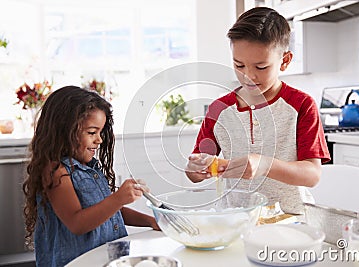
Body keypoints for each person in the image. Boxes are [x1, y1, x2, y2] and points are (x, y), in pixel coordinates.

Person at [186, 7, 330, 215]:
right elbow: (195, 171)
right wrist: (196, 169)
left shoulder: (301, 105)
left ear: (285, 61)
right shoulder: (219, 110)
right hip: (236, 218)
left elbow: (312, 175)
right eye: (239, 65)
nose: (248, 76)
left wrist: (264, 165)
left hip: (292, 218)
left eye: (261, 67)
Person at [23, 86, 159, 266]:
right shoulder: (55, 171)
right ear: (64, 130)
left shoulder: (90, 168)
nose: (100, 140)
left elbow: (110, 212)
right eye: (92, 132)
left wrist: (152, 221)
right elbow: (76, 223)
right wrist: (118, 198)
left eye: (100, 132)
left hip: (107, 260)